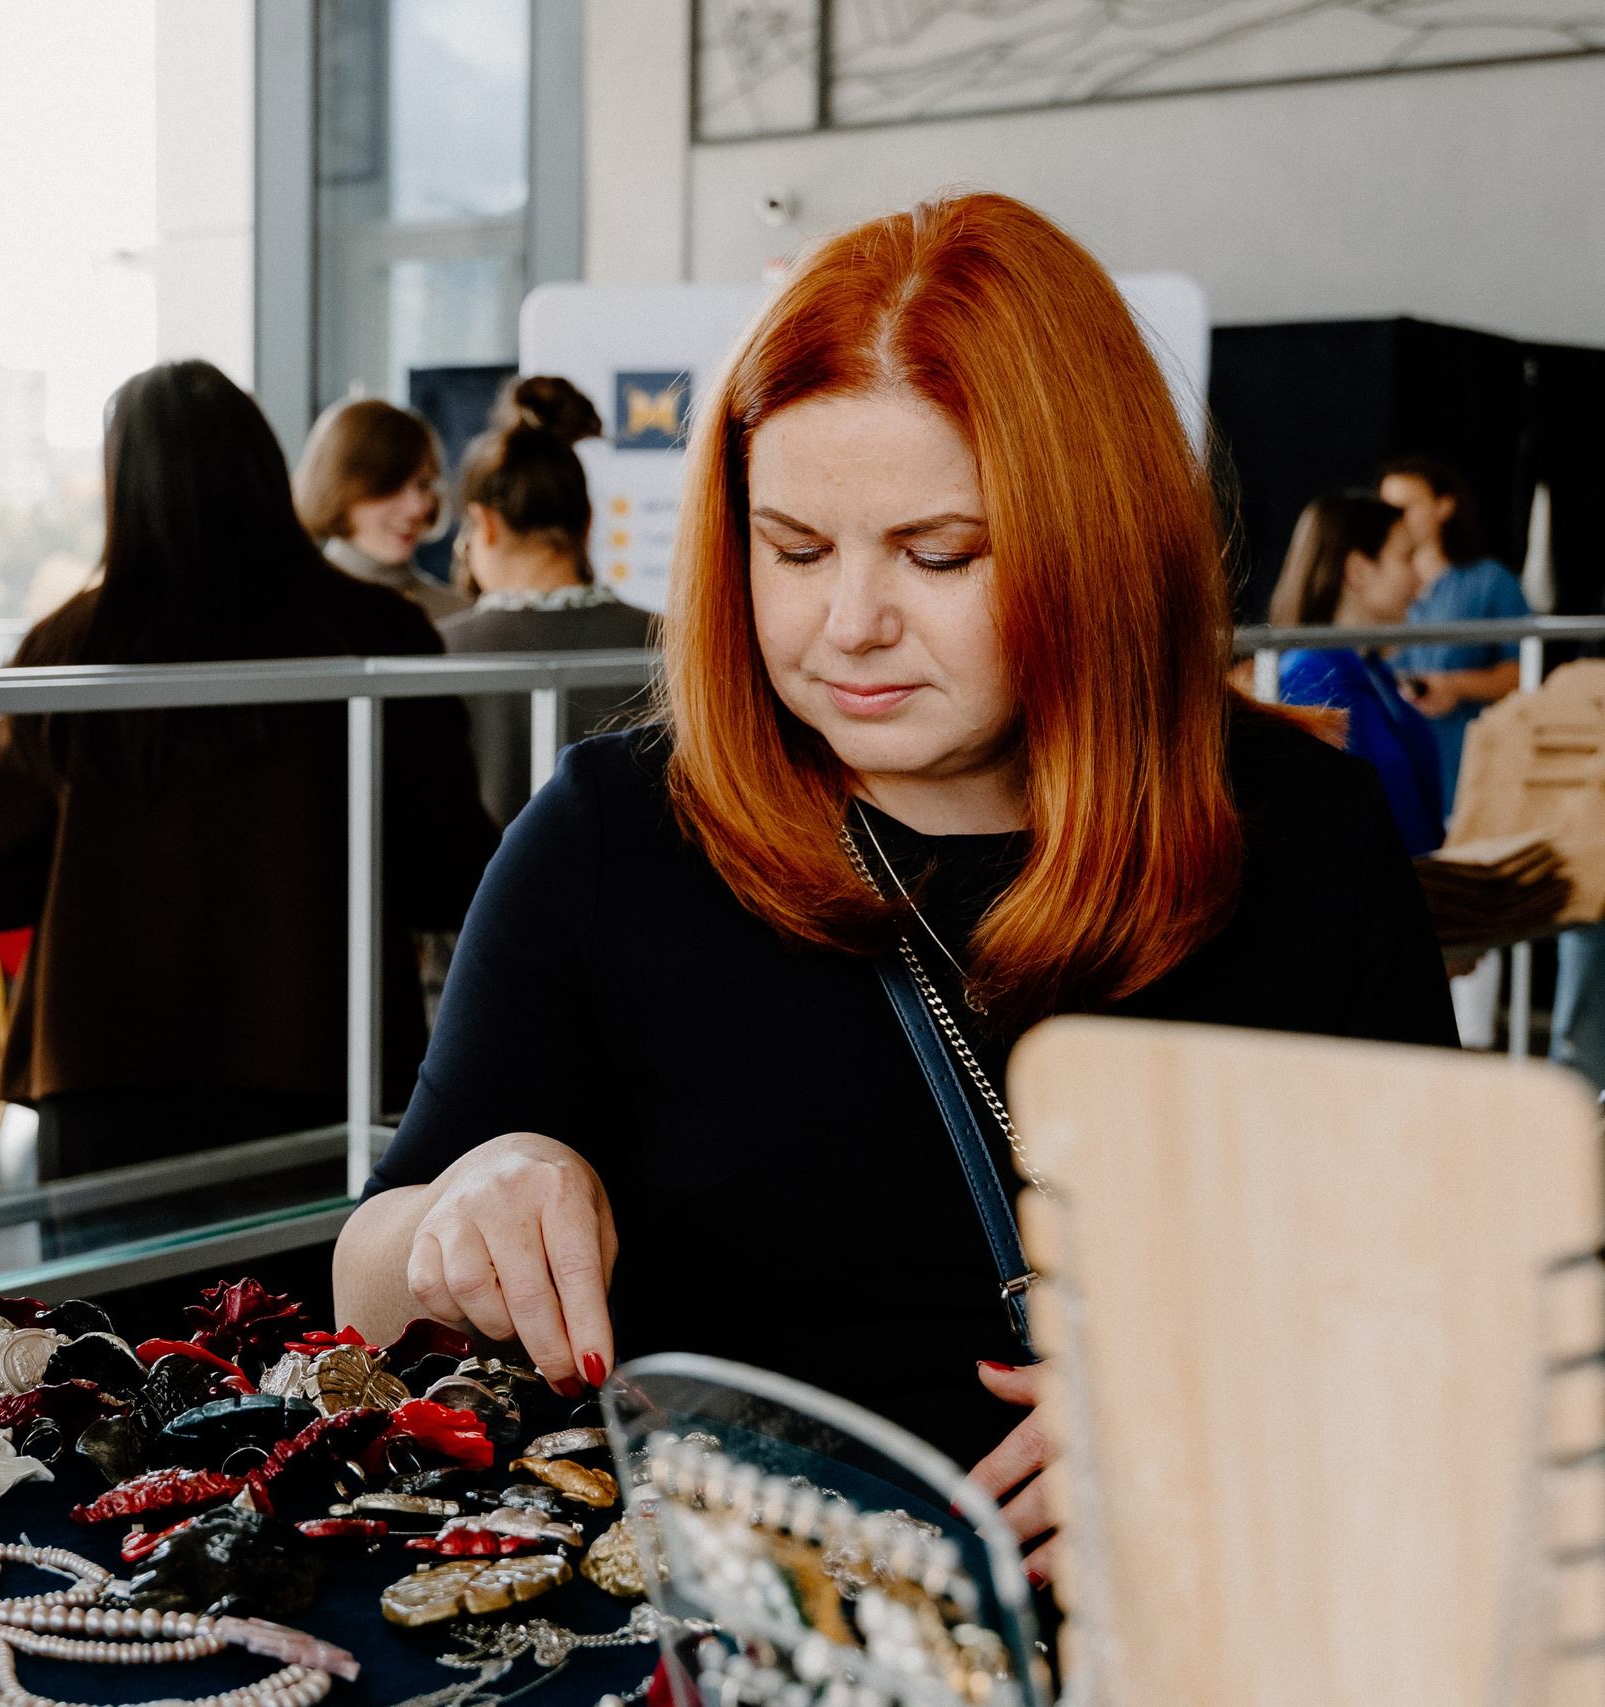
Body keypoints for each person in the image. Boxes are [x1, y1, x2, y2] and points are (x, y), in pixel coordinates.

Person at [332, 193, 1454, 1581]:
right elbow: (369, 1280)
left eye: (940, 555)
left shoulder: (1304, 835)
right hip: (734, 1627)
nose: (846, 622)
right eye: (793, 547)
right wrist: (480, 1190)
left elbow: (1440, 1298)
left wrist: (1235, 1408)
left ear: (1097, 543)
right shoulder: (614, 833)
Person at [0, 361, 498, 1179]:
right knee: (317, 1308)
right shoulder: (376, 632)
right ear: (266, 469)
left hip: (104, 1085)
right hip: (328, 1072)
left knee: (110, 1315)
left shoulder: (67, 651)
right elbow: (453, 874)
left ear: (120, 488)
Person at [438, 376, 659, 823]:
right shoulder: (673, 643)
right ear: (588, 520)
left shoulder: (439, 653)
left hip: (482, 894)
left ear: (486, 523)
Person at [1266, 492, 1445, 855]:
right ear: (1358, 570)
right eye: (1407, 557)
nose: (1421, 579)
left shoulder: (1374, 674)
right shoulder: (1306, 678)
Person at [1382, 455, 1529, 806]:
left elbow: (1524, 670)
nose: (1395, 518)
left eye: (1408, 506)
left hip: (1465, 763)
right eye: (1386, 508)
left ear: (1444, 506)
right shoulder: (1375, 591)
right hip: (1393, 761)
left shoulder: (1490, 581)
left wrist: (1454, 686)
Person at [293, 397, 470, 620]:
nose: (417, 508)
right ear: (337, 488)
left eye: (424, 484)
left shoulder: (460, 615)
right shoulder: (294, 613)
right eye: (392, 486)